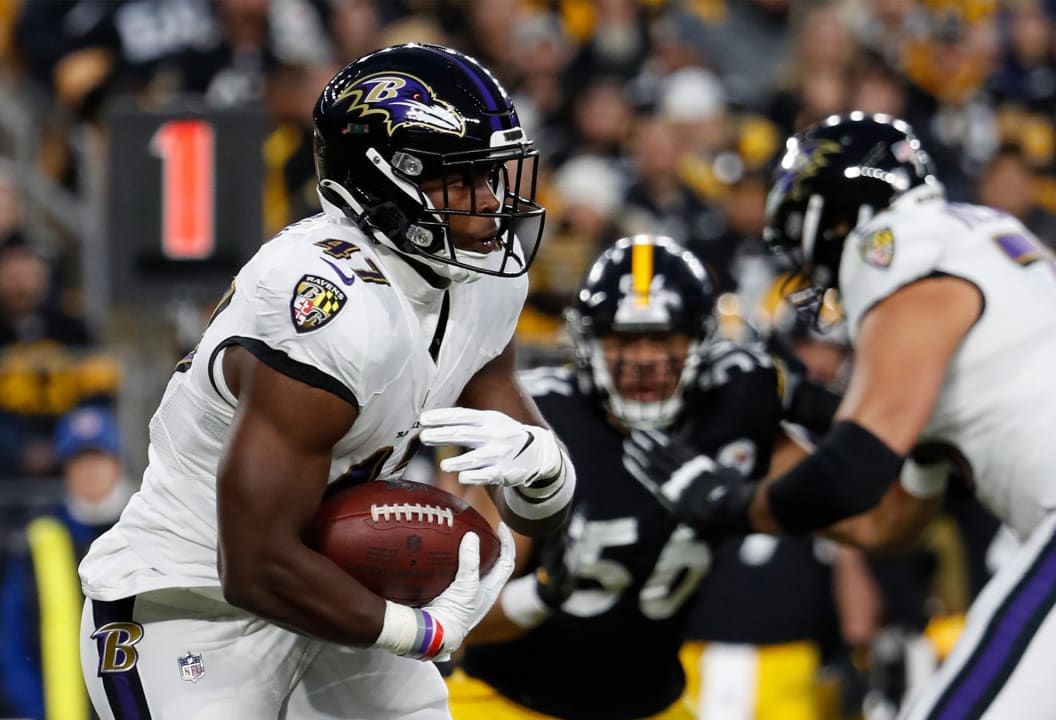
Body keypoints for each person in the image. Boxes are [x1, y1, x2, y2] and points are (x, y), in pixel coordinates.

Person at [76, 42, 574, 719]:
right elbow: (253, 566)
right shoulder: (326, 305)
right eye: (462, 179)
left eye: (492, 175)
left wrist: (546, 474)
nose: (490, 203)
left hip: (339, 586)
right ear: (384, 181)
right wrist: (420, 631)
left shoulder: (484, 274)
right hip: (189, 601)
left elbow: (527, 494)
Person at [621, 112, 1056, 719]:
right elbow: (887, 522)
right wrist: (793, 413)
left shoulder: (897, 242)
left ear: (839, 214)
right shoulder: (972, 238)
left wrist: (732, 504)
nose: (811, 267)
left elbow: (853, 469)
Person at [447, 235, 824, 719]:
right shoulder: (542, 422)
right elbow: (459, 613)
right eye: (623, 339)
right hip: (508, 701)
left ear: (702, 339)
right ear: (587, 342)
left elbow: (853, 515)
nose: (644, 359)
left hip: (655, 703)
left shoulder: (737, 403)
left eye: (663, 338)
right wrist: (542, 590)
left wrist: (812, 410)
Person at [0, 406, 132, 720]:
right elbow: (12, 642)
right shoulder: (39, 540)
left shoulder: (147, 530)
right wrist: (33, 708)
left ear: (116, 463)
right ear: (65, 469)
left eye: (98, 458)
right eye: (80, 461)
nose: (91, 471)